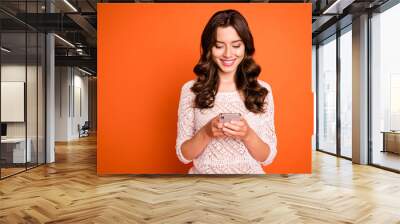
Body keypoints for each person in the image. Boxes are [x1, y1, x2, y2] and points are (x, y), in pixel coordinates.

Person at [175, 9, 277, 174]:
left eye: (236, 45)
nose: (228, 54)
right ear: (209, 49)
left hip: (249, 187)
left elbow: (267, 157)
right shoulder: (191, 90)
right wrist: (206, 132)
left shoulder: (262, 90)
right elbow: (184, 155)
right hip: (204, 187)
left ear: (246, 47)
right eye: (219, 46)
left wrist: (247, 134)